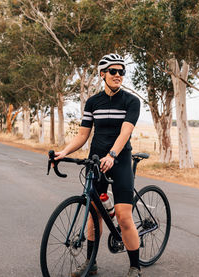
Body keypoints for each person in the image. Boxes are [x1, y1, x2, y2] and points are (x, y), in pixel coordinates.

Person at [54, 53, 141, 277]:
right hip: (96, 161)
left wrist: (112, 154)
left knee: (123, 217)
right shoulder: (93, 102)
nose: (118, 75)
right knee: (94, 214)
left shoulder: (131, 101)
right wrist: (63, 152)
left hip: (119, 160)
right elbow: (83, 135)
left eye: (122, 72)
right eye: (113, 71)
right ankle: (91, 263)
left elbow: (126, 131)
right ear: (102, 74)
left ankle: (135, 267)